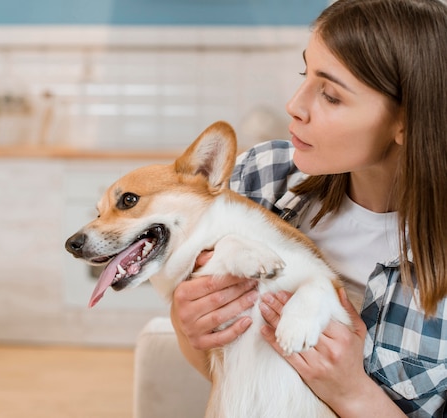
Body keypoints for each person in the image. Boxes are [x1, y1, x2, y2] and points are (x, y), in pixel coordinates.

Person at [169, 0, 447, 416]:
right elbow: (228, 377)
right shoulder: (260, 180)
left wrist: (353, 392)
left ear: (406, 121)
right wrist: (188, 325)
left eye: (331, 95)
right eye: (305, 74)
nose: (295, 106)